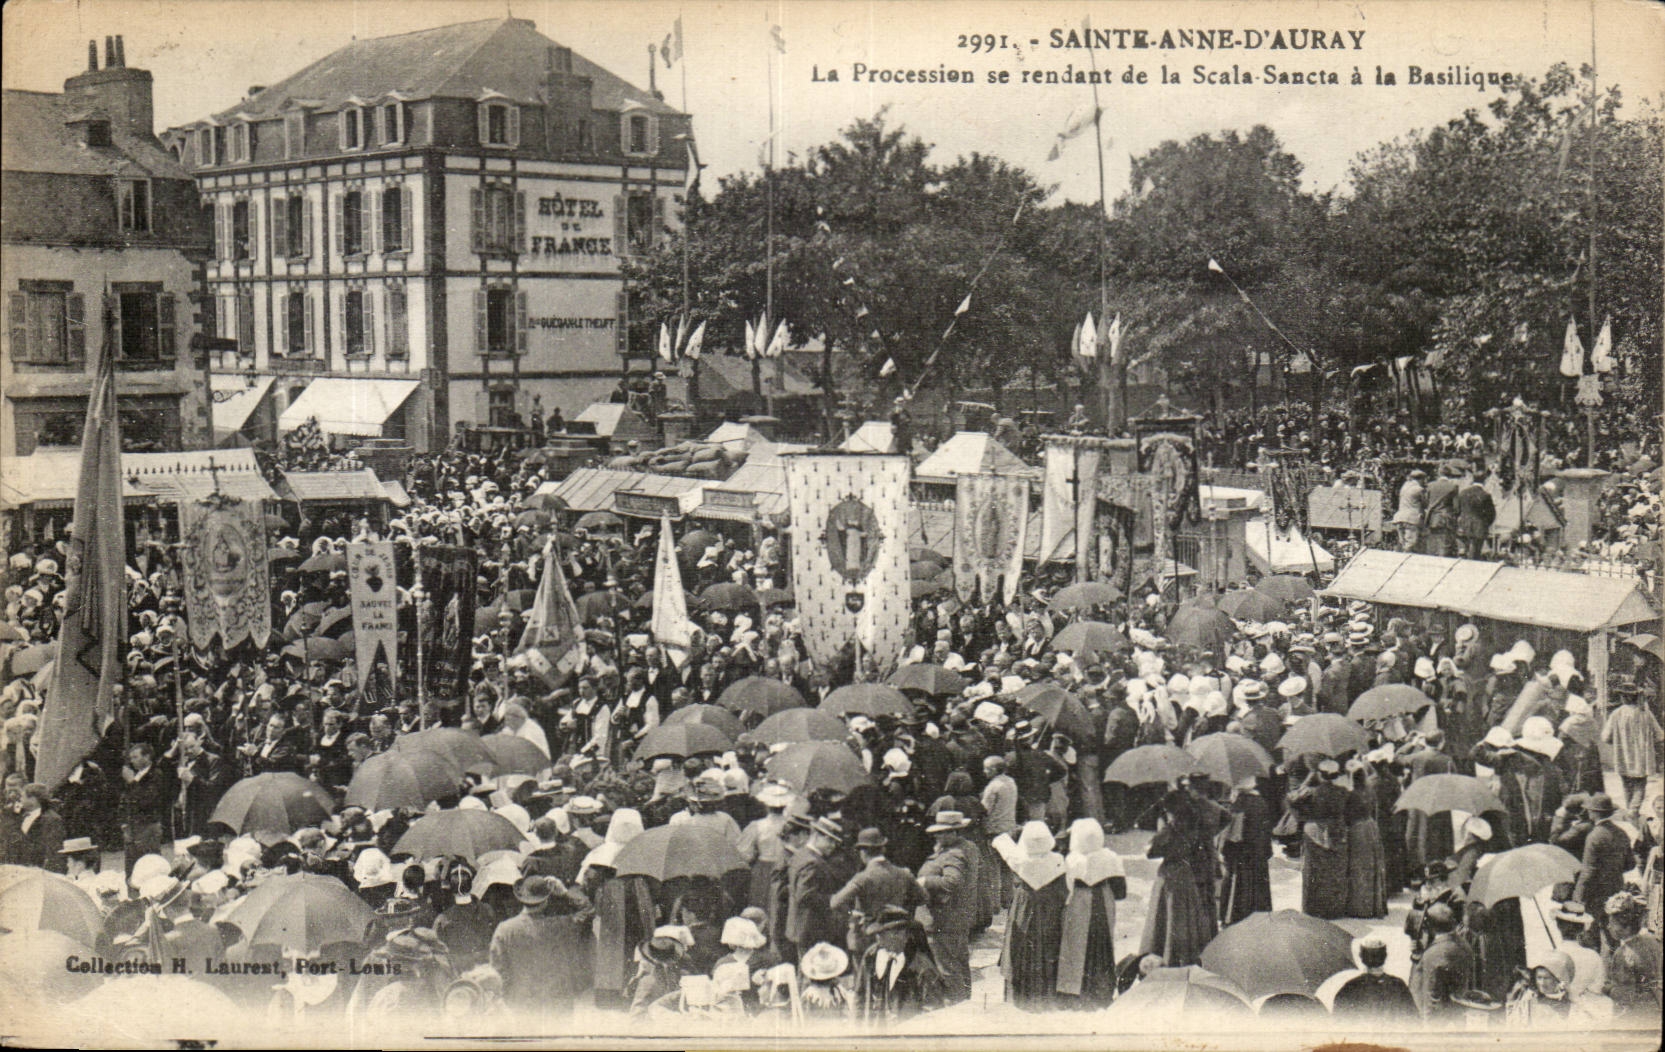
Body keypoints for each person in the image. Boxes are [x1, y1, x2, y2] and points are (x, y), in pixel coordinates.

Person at [488, 875, 595, 1019]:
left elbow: (498, 971)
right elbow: (588, 911)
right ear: (545, 901)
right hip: (558, 1005)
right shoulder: (561, 926)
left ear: (521, 898)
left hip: (521, 1005)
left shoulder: (505, 929)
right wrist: (564, 893)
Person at [992, 820, 1067, 1011]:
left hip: (1024, 907)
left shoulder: (1020, 860)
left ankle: (1020, 997)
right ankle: (1046, 996)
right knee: (1049, 946)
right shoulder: (1057, 860)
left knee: (1020, 946)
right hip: (1051, 906)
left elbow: (1001, 842)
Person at [1140, 790, 1215, 968]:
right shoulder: (1193, 826)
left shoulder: (1170, 829)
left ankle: (1167, 952)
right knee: (1185, 916)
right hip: (1186, 872)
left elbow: (1151, 851)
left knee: (1167, 915)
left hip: (1169, 874)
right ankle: (1186, 953)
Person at [1056, 817, 1124, 1009]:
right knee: (1102, 945)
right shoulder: (1110, 857)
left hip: (1079, 900)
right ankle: (1102, 990)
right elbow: (1121, 891)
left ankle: (1075, 990)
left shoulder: (1072, 859)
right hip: (1103, 900)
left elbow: (1064, 888)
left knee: (1075, 945)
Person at [829, 827, 926, 958]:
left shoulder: (862, 878)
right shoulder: (903, 873)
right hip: (898, 935)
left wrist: (853, 913)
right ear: (883, 849)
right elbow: (924, 897)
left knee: (866, 975)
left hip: (868, 937)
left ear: (863, 852)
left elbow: (835, 903)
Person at [917, 807, 976, 1004]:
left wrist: (925, 881)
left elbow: (951, 882)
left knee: (948, 968)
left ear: (955, 832)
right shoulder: (969, 848)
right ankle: (965, 1004)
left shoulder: (953, 855)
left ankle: (957, 1007)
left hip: (942, 918)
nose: (938, 837)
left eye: (942, 833)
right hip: (958, 915)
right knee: (959, 963)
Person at [852, 906, 946, 1021]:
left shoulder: (922, 968)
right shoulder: (871, 956)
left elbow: (933, 1014)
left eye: (882, 934)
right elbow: (860, 995)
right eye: (877, 934)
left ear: (902, 934)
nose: (878, 939)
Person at [1287, 759, 1350, 919]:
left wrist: (1307, 782)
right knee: (1336, 869)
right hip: (1337, 830)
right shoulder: (1342, 791)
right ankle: (1335, 908)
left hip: (1314, 830)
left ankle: (1313, 908)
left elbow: (1291, 800)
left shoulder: (1311, 792)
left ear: (1320, 775)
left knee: (1313, 869)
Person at [1573, 794, 1634, 946]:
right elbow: (1631, 863)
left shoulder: (1594, 836)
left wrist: (1578, 896)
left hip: (1596, 893)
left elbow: (1588, 871)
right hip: (1616, 889)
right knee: (1613, 933)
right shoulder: (1621, 833)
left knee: (1592, 935)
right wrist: (1613, 870)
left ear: (1594, 813)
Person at [1600, 890, 1662, 1025]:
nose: (1608, 926)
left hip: (1636, 1018)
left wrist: (1607, 989)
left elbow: (1625, 996)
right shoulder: (1652, 941)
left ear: (1626, 926)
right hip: (1656, 1010)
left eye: (1611, 922)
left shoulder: (1622, 954)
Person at [1408, 901, 1475, 1023]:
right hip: (1458, 1015)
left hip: (1438, 1021)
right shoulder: (1465, 945)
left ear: (1430, 927)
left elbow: (1431, 997)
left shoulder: (1433, 954)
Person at [1219, 774, 1274, 924]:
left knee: (1238, 887)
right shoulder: (1261, 802)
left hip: (1242, 854)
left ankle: (1234, 917)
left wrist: (1225, 850)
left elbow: (1233, 835)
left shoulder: (1240, 804)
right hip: (1259, 853)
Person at [1602, 678, 1662, 811]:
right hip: (1641, 758)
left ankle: (1631, 810)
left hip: (1623, 756)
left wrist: (1618, 741)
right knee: (1640, 786)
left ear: (1624, 697)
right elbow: (1660, 735)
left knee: (1627, 786)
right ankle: (1633, 811)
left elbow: (1605, 737)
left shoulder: (1617, 714)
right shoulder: (1645, 713)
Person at [1332, 936, 1419, 1024]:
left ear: (1361, 957)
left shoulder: (1350, 987)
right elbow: (1414, 1020)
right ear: (1385, 956)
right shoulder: (1398, 985)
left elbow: (1337, 1021)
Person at [1392, 468, 1427, 553]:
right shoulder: (1419, 489)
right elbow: (1425, 503)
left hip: (1400, 517)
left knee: (1402, 543)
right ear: (1421, 479)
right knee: (1411, 544)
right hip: (1411, 519)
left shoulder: (1404, 487)